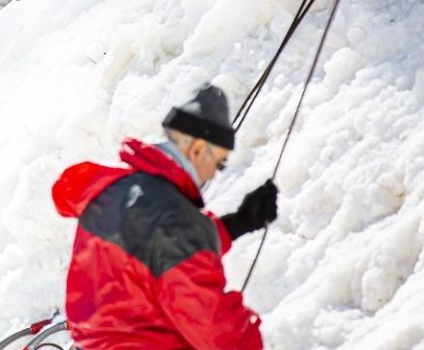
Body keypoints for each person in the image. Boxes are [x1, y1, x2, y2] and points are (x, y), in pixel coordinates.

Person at [52, 84, 278, 349]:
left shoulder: (115, 191)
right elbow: (214, 329)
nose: (213, 174)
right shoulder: (175, 221)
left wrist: (237, 223)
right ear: (196, 149)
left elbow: (153, 248)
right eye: (218, 162)